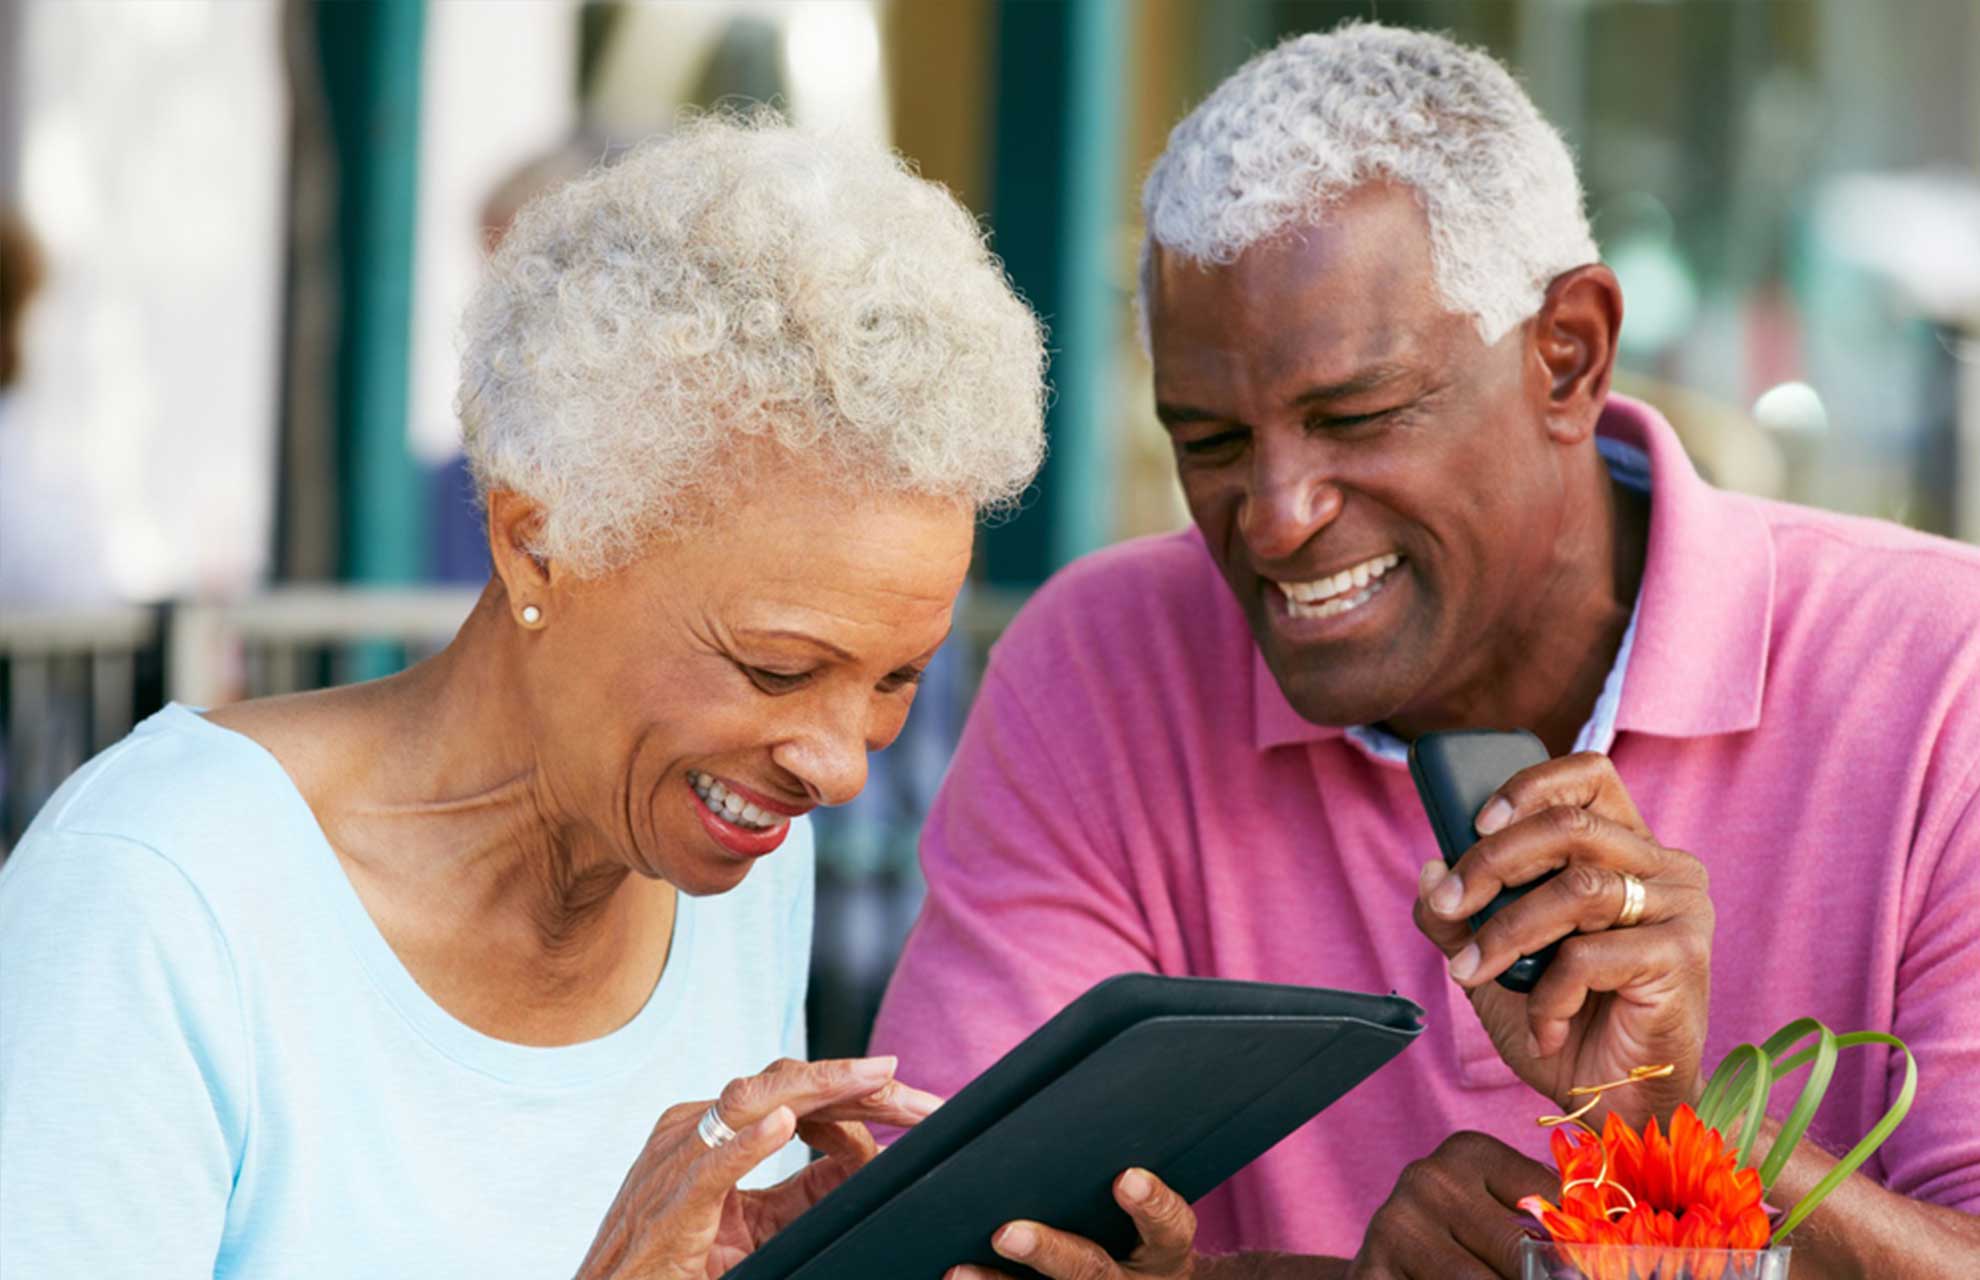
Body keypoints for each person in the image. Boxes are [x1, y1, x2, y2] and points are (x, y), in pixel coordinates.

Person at [878, 23, 1980, 1280]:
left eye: (1356, 415)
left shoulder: (1945, 674)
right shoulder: (1101, 665)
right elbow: (946, 1248)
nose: (1277, 518)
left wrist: (1672, 1144)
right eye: (1212, 442)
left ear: (1568, 355)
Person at [0, 112, 1076, 1279]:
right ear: (538, 542)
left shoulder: (733, 855)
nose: (839, 764)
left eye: (896, 677)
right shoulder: (158, 889)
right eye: (777, 668)